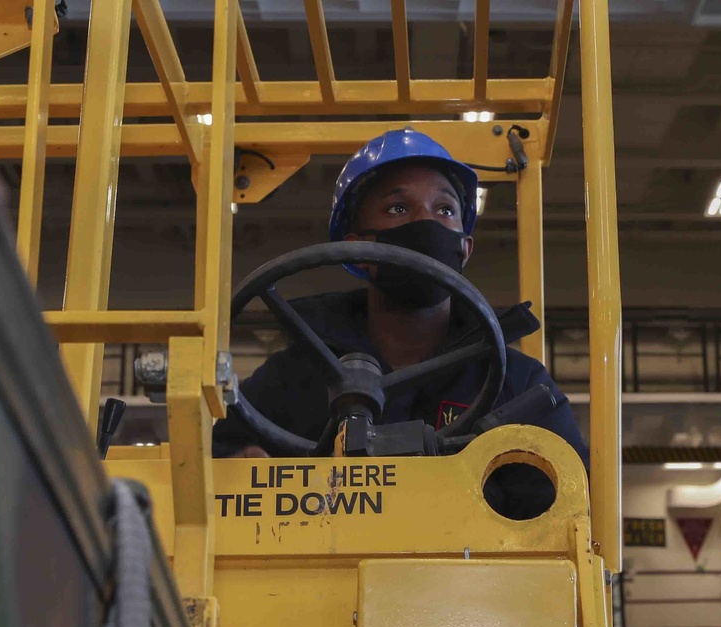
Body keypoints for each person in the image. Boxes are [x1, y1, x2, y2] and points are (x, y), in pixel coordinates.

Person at [212, 128, 587, 518]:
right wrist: (239, 463)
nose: (426, 224)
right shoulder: (292, 377)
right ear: (357, 249)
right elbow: (216, 459)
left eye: (444, 210)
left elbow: (565, 513)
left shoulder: (517, 385)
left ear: (465, 247)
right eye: (398, 209)